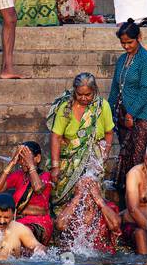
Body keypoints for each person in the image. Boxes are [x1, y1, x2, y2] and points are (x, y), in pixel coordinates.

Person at [109, 20, 147, 204]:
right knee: (126, 154)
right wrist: (107, 112)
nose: (126, 46)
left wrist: (131, 113)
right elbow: (116, 88)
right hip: (125, 115)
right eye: (123, 43)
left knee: (138, 157)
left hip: (145, 115)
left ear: (139, 38)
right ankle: (127, 201)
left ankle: (141, 199)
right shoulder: (122, 59)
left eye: (129, 42)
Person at [48, 73, 114, 212]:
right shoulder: (66, 107)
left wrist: (105, 154)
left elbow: (109, 133)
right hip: (67, 160)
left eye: (88, 95)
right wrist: (55, 166)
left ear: (94, 90)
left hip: (93, 161)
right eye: (79, 94)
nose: (83, 98)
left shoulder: (102, 106)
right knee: (64, 201)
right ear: (75, 91)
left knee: (90, 198)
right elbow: (56, 136)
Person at [0, 141, 54, 244]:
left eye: (26, 157)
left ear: (37, 158)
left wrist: (30, 165)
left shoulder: (45, 176)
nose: (23, 161)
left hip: (38, 223)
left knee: (19, 235)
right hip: (18, 222)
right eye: (21, 158)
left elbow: (38, 188)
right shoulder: (18, 175)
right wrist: (12, 162)